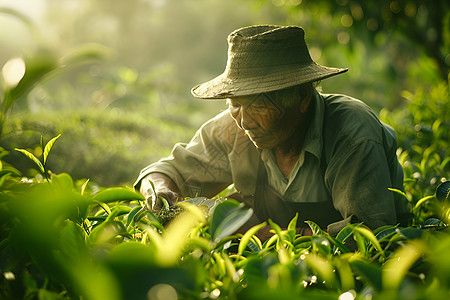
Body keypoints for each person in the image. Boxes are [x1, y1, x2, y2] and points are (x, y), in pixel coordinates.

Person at [134, 25, 410, 238]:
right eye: (235, 104)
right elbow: (164, 172)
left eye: (258, 105)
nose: (245, 121)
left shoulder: (351, 133)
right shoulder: (234, 128)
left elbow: (370, 235)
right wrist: (160, 192)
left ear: (302, 96)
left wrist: (263, 236)